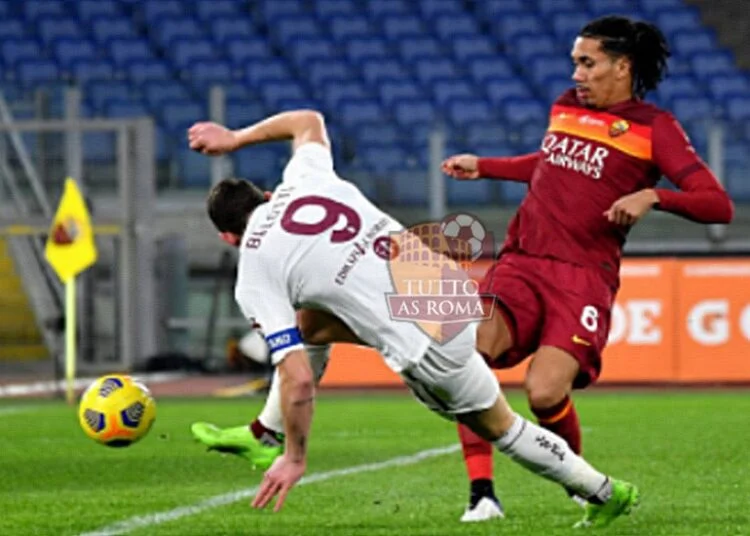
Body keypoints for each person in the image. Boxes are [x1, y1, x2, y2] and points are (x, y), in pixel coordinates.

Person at [187, 108, 640, 528]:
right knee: (311, 324)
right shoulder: (303, 182)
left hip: (425, 345)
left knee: (502, 427)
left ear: (229, 238)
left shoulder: (255, 271)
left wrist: (297, 457)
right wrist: (234, 138)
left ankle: (604, 492)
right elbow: (307, 120)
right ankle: (263, 432)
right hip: (446, 291)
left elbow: (299, 380)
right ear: (266, 196)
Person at [441, 15, 734, 522]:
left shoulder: (654, 128)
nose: (576, 73)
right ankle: (482, 494)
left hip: (582, 275)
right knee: (467, 356)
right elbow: (551, 163)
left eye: (587, 62)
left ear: (622, 66)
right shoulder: (566, 107)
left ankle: (581, 486)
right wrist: (485, 165)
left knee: (545, 392)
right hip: (523, 258)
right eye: (575, 62)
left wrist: (653, 195)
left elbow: (717, 203)